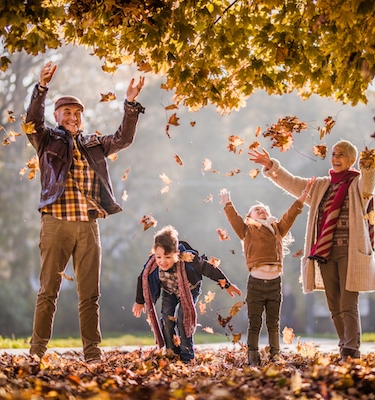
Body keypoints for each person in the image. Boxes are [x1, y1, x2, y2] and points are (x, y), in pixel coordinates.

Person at [25, 61, 145, 363]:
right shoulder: (47, 140)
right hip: (56, 224)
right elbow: (32, 123)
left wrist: (130, 104)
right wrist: (41, 89)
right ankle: (36, 352)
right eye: (67, 112)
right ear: (57, 116)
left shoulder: (93, 144)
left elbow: (123, 139)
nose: (73, 117)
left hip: (88, 227)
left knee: (90, 295)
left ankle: (92, 354)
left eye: (77, 113)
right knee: (48, 291)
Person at [249, 140, 375, 360]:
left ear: (351, 160)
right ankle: (344, 344)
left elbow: (369, 185)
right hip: (325, 253)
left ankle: (351, 349)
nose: (336, 158)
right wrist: (272, 166)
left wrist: (369, 165)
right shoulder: (321, 185)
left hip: (350, 252)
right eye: (334, 153)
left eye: (341, 155)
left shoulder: (356, 183)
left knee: (348, 303)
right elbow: (293, 184)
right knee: (334, 304)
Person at [219, 180, 313, 366]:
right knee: (255, 323)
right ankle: (253, 357)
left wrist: (302, 196)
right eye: (257, 209)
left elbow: (291, 214)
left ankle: (275, 356)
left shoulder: (277, 228)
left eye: (264, 209)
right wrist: (227, 203)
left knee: (273, 323)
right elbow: (235, 219)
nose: (262, 211)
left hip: (274, 284)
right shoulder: (247, 230)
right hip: (255, 283)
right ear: (250, 216)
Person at [132, 225, 242, 363]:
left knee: (183, 319)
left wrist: (227, 284)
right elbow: (143, 279)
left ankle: (187, 356)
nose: (162, 261)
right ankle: (172, 351)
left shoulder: (189, 259)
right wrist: (140, 300)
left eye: (167, 257)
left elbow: (209, 269)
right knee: (167, 319)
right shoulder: (152, 265)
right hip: (169, 291)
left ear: (176, 253)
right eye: (159, 256)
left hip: (190, 289)